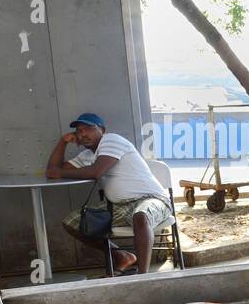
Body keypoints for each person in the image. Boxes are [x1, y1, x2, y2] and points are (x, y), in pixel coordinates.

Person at [47, 113, 173, 275]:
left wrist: (60, 173)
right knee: (72, 222)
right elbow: (51, 171)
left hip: (153, 199)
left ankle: (143, 276)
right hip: (120, 206)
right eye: (79, 131)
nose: (83, 134)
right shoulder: (87, 156)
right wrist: (63, 142)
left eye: (89, 129)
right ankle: (121, 256)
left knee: (141, 215)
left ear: (103, 130)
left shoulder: (112, 140)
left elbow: (96, 172)